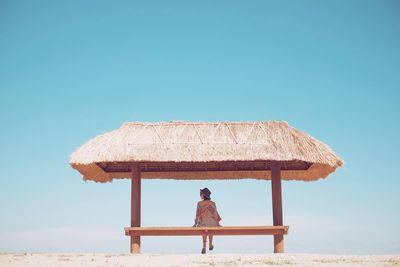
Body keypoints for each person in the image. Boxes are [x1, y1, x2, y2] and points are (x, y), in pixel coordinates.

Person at [192, 187, 222, 254]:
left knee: (204, 229)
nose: (200, 195)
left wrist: (195, 223)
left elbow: (198, 214)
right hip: (212, 223)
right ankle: (210, 244)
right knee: (211, 228)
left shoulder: (199, 203)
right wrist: (217, 223)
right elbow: (215, 214)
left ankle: (204, 247)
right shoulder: (213, 203)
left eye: (200, 194)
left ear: (203, 195)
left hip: (203, 223)